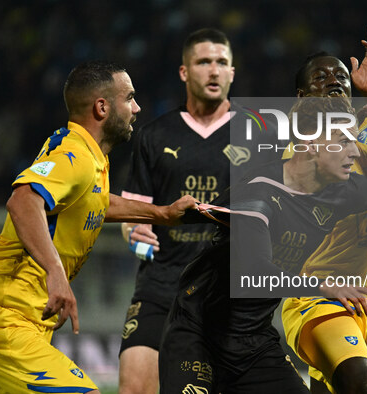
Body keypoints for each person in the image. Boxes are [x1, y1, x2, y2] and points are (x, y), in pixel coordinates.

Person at [158, 97, 367, 393]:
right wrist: (325, 287)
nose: (354, 151)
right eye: (343, 140)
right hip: (199, 331)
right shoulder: (258, 191)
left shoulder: (342, 190)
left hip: (253, 341)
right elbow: (254, 273)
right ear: (309, 143)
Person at [0, 60, 197, 394]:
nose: (137, 107)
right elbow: (23, 201)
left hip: (19, 317)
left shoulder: (87, 156)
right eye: (129, 98)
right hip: (7, 316)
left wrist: (161, 213)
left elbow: (96, 201)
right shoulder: (76, 155)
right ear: (102, 107)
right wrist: (55, 272)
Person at [117, 28, 279, 394]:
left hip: (225, 291)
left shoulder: (258, 134)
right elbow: (133, 212)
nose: (214, 70)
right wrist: (132, 230)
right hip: (161, 285)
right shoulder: (154, 135)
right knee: (133, 387)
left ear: (232, 73)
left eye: (222, 62)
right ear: (184, 72)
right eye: (203, 62)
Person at [281, 29, 367, 393]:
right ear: (302, 97)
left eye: (341, 76)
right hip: (320, 296)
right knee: (359, 383)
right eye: (321, 77)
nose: (334, 82)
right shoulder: (300, 149)